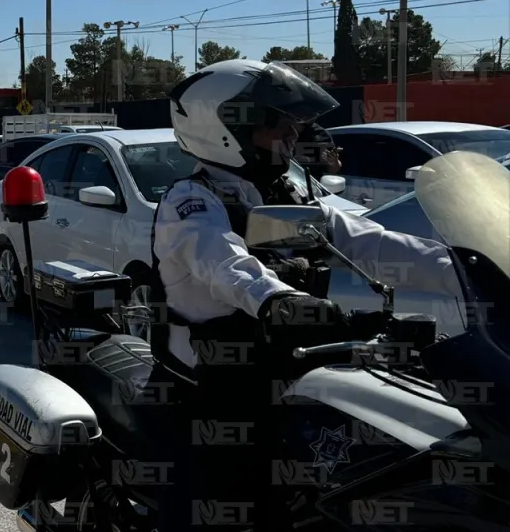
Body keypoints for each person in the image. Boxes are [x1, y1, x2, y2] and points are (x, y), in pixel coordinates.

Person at [148, 59, 461, 532]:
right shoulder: (192, 202)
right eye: (279, 124)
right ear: (227, 128)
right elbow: (222, 261)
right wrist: (275, 298)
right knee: (215, 507)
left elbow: (370, 241)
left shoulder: (289, 193)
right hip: (212, 385)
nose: (292, 135)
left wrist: (466, 268)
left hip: (291, 363)